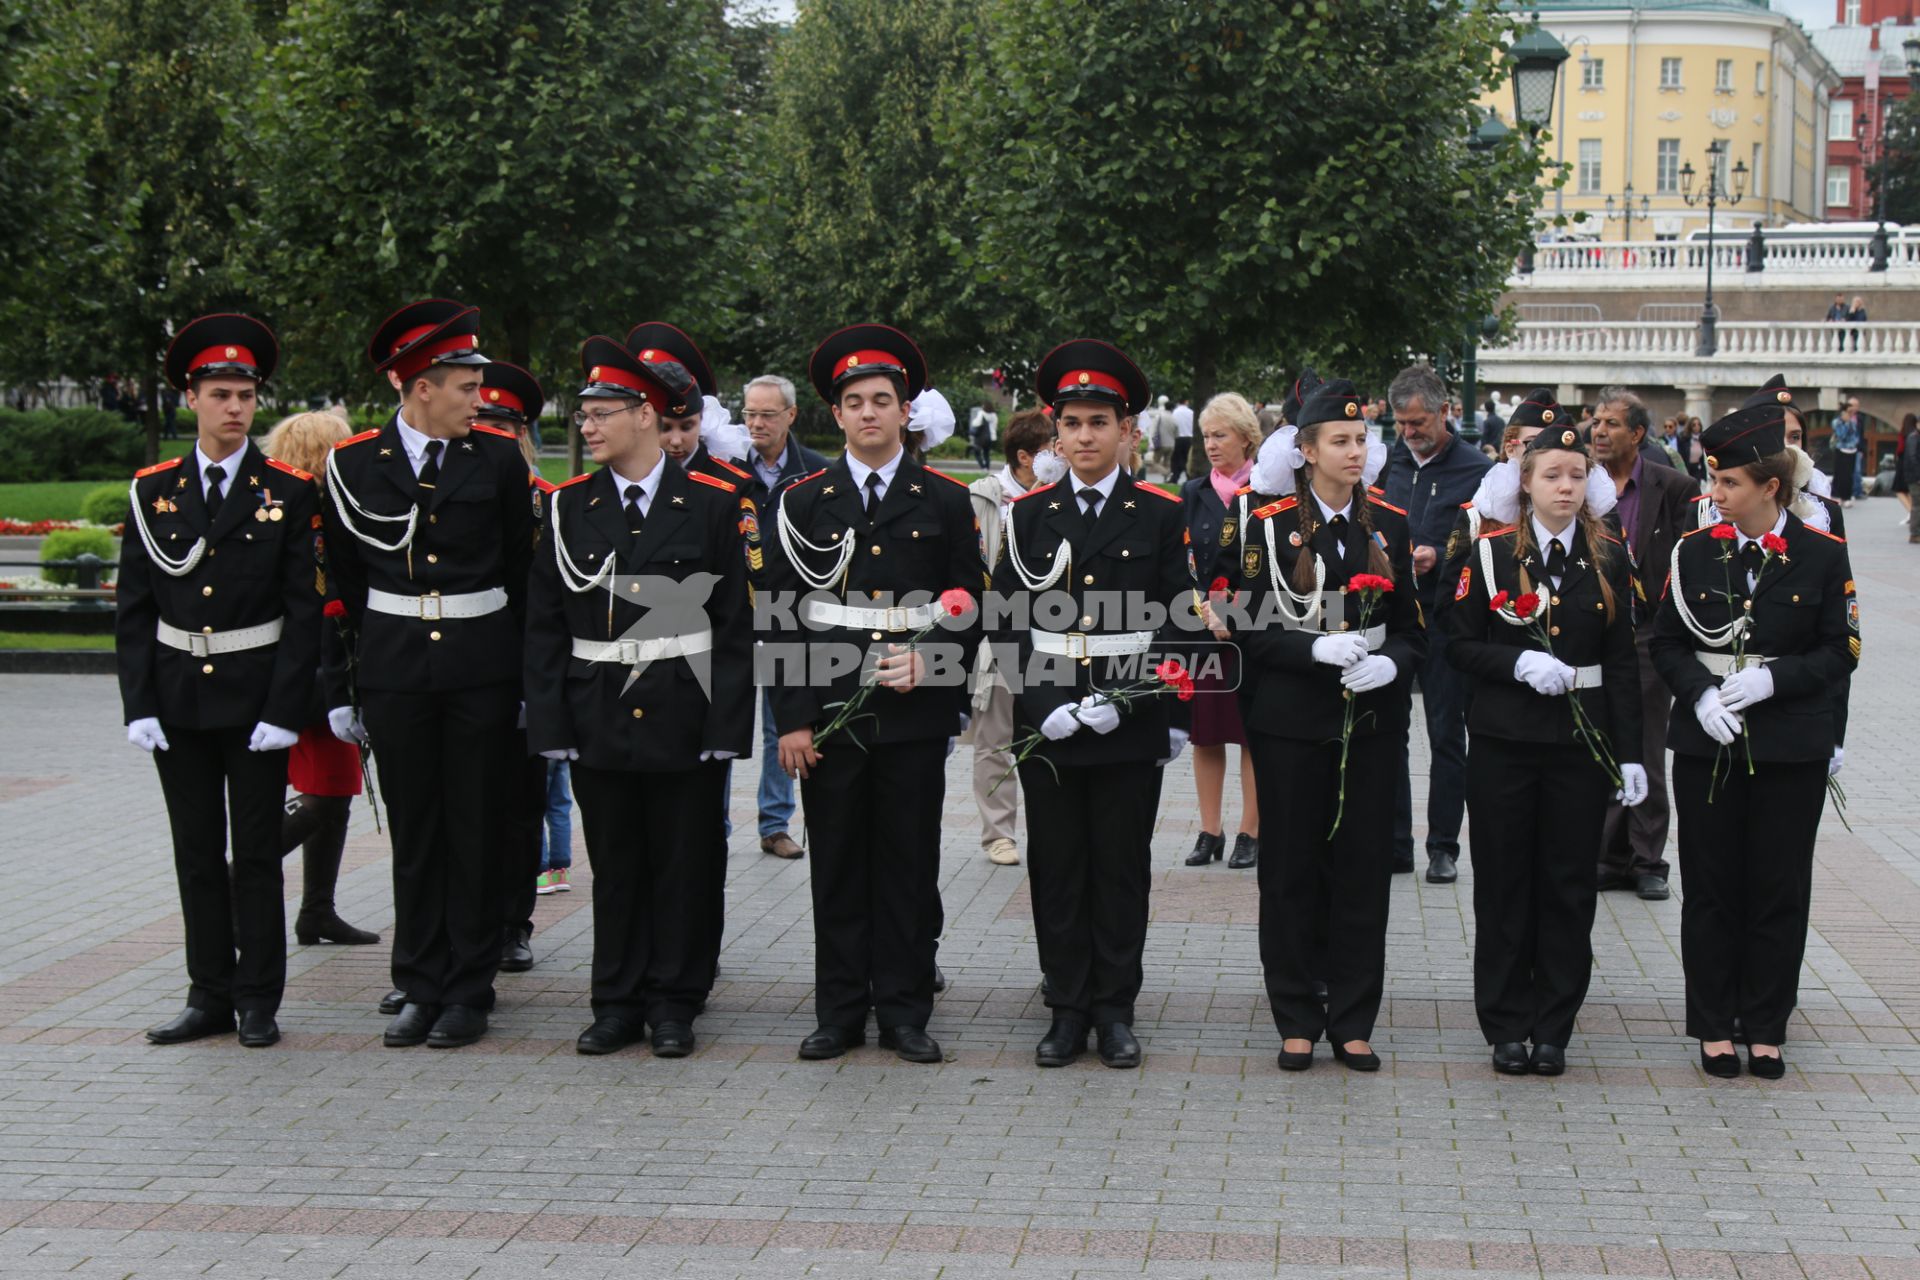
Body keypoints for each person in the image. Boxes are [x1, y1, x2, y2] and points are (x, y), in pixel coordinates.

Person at [522, 337, 752, 1057]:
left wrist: (727, 725)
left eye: (601, 414)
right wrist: (552, 724)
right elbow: (545, 625)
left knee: (683, 863)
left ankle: (675, 1002)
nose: (586, 427)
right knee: (616, 866)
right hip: (599, 712)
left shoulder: (714, 505)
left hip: (685, 710)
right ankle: (616, 1000)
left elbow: (737, 627)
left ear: (646, 416)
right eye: (585, 414)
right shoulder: (568, 508)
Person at [761, 324, 982, 1064]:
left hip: (912, 716)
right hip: (828, 716)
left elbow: (969, 603)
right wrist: (791, 719)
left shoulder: (945, 500)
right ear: (836, 413)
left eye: (881, 400)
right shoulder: (801, 500)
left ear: (905, 410)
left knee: (908, 865)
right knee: (839, 865)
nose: (867, 414)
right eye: (853, 402)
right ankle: (840, 1011)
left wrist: (938, 667)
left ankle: (905, 1012)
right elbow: (780, 613)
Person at [322, 299, 533, 1050]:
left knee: (475, 826)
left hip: (480, 664)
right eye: (466, 386)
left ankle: (469, 988)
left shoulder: (498, 459)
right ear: (421, 387)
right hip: (397, 665)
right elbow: (343, 581)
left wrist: (525, 682)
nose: (479, 399)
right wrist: (344, 686)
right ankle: (419, 981)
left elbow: (522, 568)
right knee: (415, 831)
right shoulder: (350, 466)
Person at [117, 314, 320, 1048]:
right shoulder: (153, 491)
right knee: (197, 853)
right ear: (191, 400)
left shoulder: (288, 493)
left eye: (245, 394)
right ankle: (209, 992)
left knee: (257, 856)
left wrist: (286, 708)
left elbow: (304, 614)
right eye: (221, 394)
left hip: (257, 694)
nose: (235, 407)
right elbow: (135, 608)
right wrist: (138, 703)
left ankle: (259, 997)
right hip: (178, 697)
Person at [990, 339, 1192, 1069]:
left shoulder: (1162, 514)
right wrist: (1044, 705)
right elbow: (1006, 620)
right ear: (1056, 430)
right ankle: (1066, 1007)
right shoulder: (1026, 518)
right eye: (1071, 423)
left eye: (1098, 422)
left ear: (1127, 432)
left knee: (1120, 868)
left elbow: (1179, 621)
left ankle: (1115, 1008)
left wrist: (1131, 702)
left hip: (1124, 723)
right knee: (1058, 868)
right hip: (1049, 726)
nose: (1083, 436)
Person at [1650, 400, 1858, 1080]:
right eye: (1713, 481)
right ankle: (1713, 1023)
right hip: (1710, 741)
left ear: (1771, 486)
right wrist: (1698, 693)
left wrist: (1777, 682)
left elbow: (1841, 650)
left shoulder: (1822, 554)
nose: (1716, 495)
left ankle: (1765, 1024)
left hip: (1788, 742)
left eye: (1730, 484)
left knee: (1777, 885)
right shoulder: (1693, 552)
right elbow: (1667, 641)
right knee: (1711, 884)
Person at [1442, 404, 1645, 1076]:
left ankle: (1554, 1024)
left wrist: (1632, 753)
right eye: (1552, 474)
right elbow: (1460, 644)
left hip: (1579, 748)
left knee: (1567, 885)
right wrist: (1516, 663)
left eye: (1577, 474)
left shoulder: (1609, 557)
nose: (1566, 486)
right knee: (1503, 883)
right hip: (1505, 741)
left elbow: (1622, 664)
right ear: (1524, 482)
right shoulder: (1491, 556)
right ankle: (1504, 1023)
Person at [1230, 378, 1421, 1072]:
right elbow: (1249, 632)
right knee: (1289, 875)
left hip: (1367, 726)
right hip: (1290, 726)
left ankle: (1353, 1017)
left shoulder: (1389, 526)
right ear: (1306, 450)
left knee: (1363, 873)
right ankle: (1296, 1016)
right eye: (1339, 440)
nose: (1355, 450)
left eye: (1362, 439)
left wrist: (1391, 664)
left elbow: (1412, 631)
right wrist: (1312, 646)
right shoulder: (1268, 525)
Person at [260, 409, 380, 949]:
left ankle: (317, 910)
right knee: (326, 794)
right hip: (317, 672)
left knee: (333, 791)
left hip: (299, 670)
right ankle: (244, 872)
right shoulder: (315, 516)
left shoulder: (279, 507)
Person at [1379, 365, 1491, 882]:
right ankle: (1395, 841)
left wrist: (1440, 560)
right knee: (1390, 731)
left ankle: (1443, 845)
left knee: (1448, 733)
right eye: (1401, 423)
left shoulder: (1477, 469)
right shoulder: (1391, 463)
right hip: (1396, 618)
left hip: (1447, 619)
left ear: (1446, 412)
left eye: (1419, 422)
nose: (1409, 433)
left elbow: (1489, 548)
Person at [1586, 386, 1695, 901]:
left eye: (1611, 423)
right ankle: (1610, 855)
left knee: (1647, 744)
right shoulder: (1577, 483)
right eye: (1596, 422)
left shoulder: (1673, 487)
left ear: (1638, 434)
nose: (1600, 431)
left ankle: (1649, 858)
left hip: (1650, 632)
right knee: (1604, 742)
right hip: (1596, 634)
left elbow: (1688, 560)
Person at [739, 373, 828, 861]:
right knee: (721, 711)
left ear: (790, 416)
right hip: (731, 611)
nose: (756, 423)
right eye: (749, 413)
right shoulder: (729, 469)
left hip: (787, 613)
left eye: (767, 414)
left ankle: (775, 824)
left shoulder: (814, 472)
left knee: (782, 717)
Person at [966, 408, 1060, 866]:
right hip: (999, 632)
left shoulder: (1062, 497)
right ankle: (998, 834)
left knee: (1052, 728)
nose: (1059, 459)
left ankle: (1052, 827)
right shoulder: (983, 498)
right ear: (1025, 458)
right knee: (996, 738)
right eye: (1050, 452)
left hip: (1053, 634)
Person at [1181, 392, 1261, 870]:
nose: (1211, 444)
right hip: (1202, 628)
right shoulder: (1193, 492)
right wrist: (1204, 612)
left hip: (1251, 630)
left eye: (1221, 435)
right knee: (1206, 734)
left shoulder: (1267, 491)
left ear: (1246, 438)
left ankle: (1251, 830)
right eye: (1206, 435)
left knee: (1251, 733)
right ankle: (1210, 829)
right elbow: (1183, 561)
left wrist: (1236, 614)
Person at [1831, 399, 1862, 506]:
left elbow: (1855, 435)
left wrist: (1855, 444)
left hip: (1852, 450)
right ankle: (1838, 496)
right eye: (1849, 412)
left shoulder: (1853, 422)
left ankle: (1847, 496)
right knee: (1841, 475)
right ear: (1843, 412)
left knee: (1850, 475)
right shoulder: (1837, 422)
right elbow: (1841, 435)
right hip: (1841, 450)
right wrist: (1846, 423)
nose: (1851, 414)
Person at [1895, 413, 1916, 526]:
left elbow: (1900, 449)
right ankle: (1913, 513)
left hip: (1903, 464)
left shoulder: (1904, 434)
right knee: (1910, 491)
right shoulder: (1915, 434)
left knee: (1899, 490)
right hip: (1911, 466)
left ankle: (1911, 513)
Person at [1168, 395, 1195, 483]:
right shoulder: (1191, 412)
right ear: (1186, 401)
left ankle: (1175, 477)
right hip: (1189, 438)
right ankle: (1189, 477)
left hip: (1178, 438)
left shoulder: (1174, 412)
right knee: (1188, 459)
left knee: (1176, 459)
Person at [969, 401, 995, 469]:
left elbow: (976, 423)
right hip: (990, 438)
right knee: (986, 453)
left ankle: (983, 467)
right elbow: (994, 427)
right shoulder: (994, 415)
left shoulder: (981, 413)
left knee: (977, 452)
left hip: (981, 437)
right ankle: (987, 467)